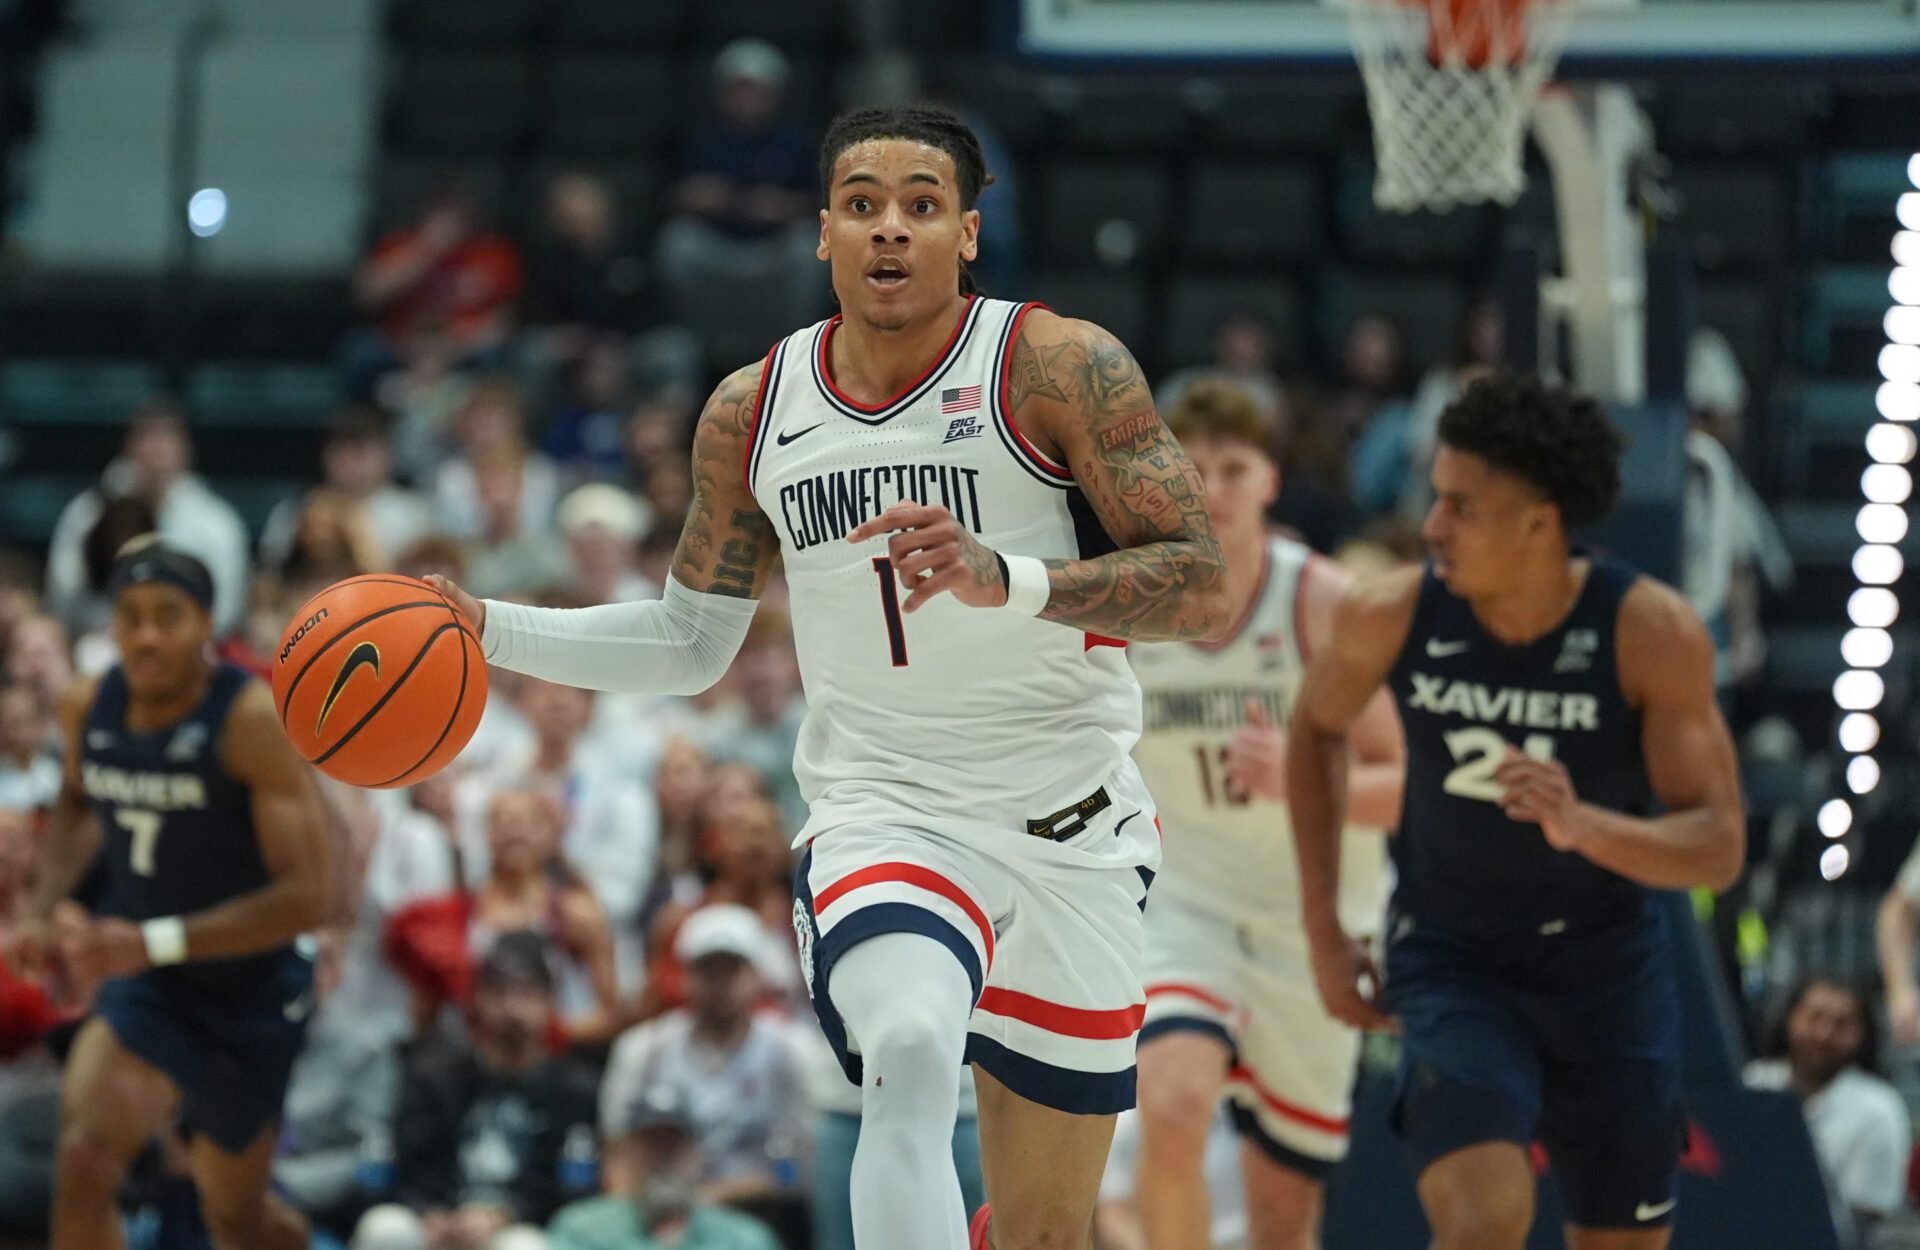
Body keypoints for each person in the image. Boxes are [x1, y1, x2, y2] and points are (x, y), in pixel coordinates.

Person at [428, 103, 1227, 1250]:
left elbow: (1200, 582)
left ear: (966, 232)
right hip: (884, 809)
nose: (889, 229)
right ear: (822, 234)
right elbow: (689, 639)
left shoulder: (1057, 364)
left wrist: (1017, 578)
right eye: (862, 205)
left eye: (920, 205)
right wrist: (489, 629)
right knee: (904, 1050)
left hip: (1072, 821)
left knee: (1051, 1232)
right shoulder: (753, 409)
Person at [1286, 372, 1745, 1250]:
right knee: (1483, 1220)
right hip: (1454, 961)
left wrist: (1587, 827)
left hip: (1607, 970)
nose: (1431, 527)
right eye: (1435, 498)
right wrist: (1324, 930)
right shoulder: (1391, 610)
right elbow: (1315, 731)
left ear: (1540, 522)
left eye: (1462, 507)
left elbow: (1718, 847)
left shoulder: (1650, 631)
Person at [1127, 379, 1405, 1250]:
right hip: (1189, 906)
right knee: (1170, 1107)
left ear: (1271, 483)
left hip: (1314, 922)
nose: (1211, 488)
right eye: (1192, 467)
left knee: (1282, 1216)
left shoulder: (1321, 603)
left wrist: (1300, 784)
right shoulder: (1128, 604)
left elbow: (1407, 780)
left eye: (1234, 468)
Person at [11, 539, 332, 1250]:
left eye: (167, 616)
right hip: (151, 977)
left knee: (237, 1220)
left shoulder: (249, 721)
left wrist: (152, 940)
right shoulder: (85, 704)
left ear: (206, 627)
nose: (146, 634)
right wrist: (38, 907)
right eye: (129, 616)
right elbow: (73, 804)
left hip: (251, 988)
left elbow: (311, 898)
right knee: (84, 1156)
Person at [352, 932, 599, 1250]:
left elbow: (570, 1190)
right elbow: (400, 1162)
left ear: (550, 1001)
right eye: (498, 992)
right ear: (477, 998)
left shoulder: (574, 1088)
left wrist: (505, 1215)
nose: (512, 1009)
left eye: (526, 994)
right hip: (436, 1218)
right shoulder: (435, 1074)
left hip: (513, 1226)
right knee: (385, 1228)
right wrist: (428, 1212)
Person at [600, 905, 811, 1217]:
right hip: (658, 1207)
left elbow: (801, 1165)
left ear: (757, 975)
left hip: (760, 1208)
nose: (720, 984)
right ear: (684, 977)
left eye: (732, 970)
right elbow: (616, 1149)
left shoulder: (792, 1050)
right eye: (708, 970)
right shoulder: (643, 1049)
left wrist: (714, 1198)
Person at [44, 404, 251, 638]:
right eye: (146, 438)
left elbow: (226, 612)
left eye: (166, 437)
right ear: (128, 446)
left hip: (192, 649)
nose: (156, 449)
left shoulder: (216, 523)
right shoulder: (88, 513)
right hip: (100, 643)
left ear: (185, 449)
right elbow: (63, 596)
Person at [1744, 977, 1910, 1248]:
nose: (1823, 1034)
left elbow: (1863, 1225)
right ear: (1789, 1018)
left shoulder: (1879, 1109)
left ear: (1862, 1034)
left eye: (1841, 1024)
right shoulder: (1752, 1084)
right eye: (1814, 1017)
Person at [546, 1090, 780, 1250]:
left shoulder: (744, 1237)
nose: (664, 1161)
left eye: (673, 1148)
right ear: (627, 1157)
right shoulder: (582, 1228)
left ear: (696, 1158)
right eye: (652, 1148)